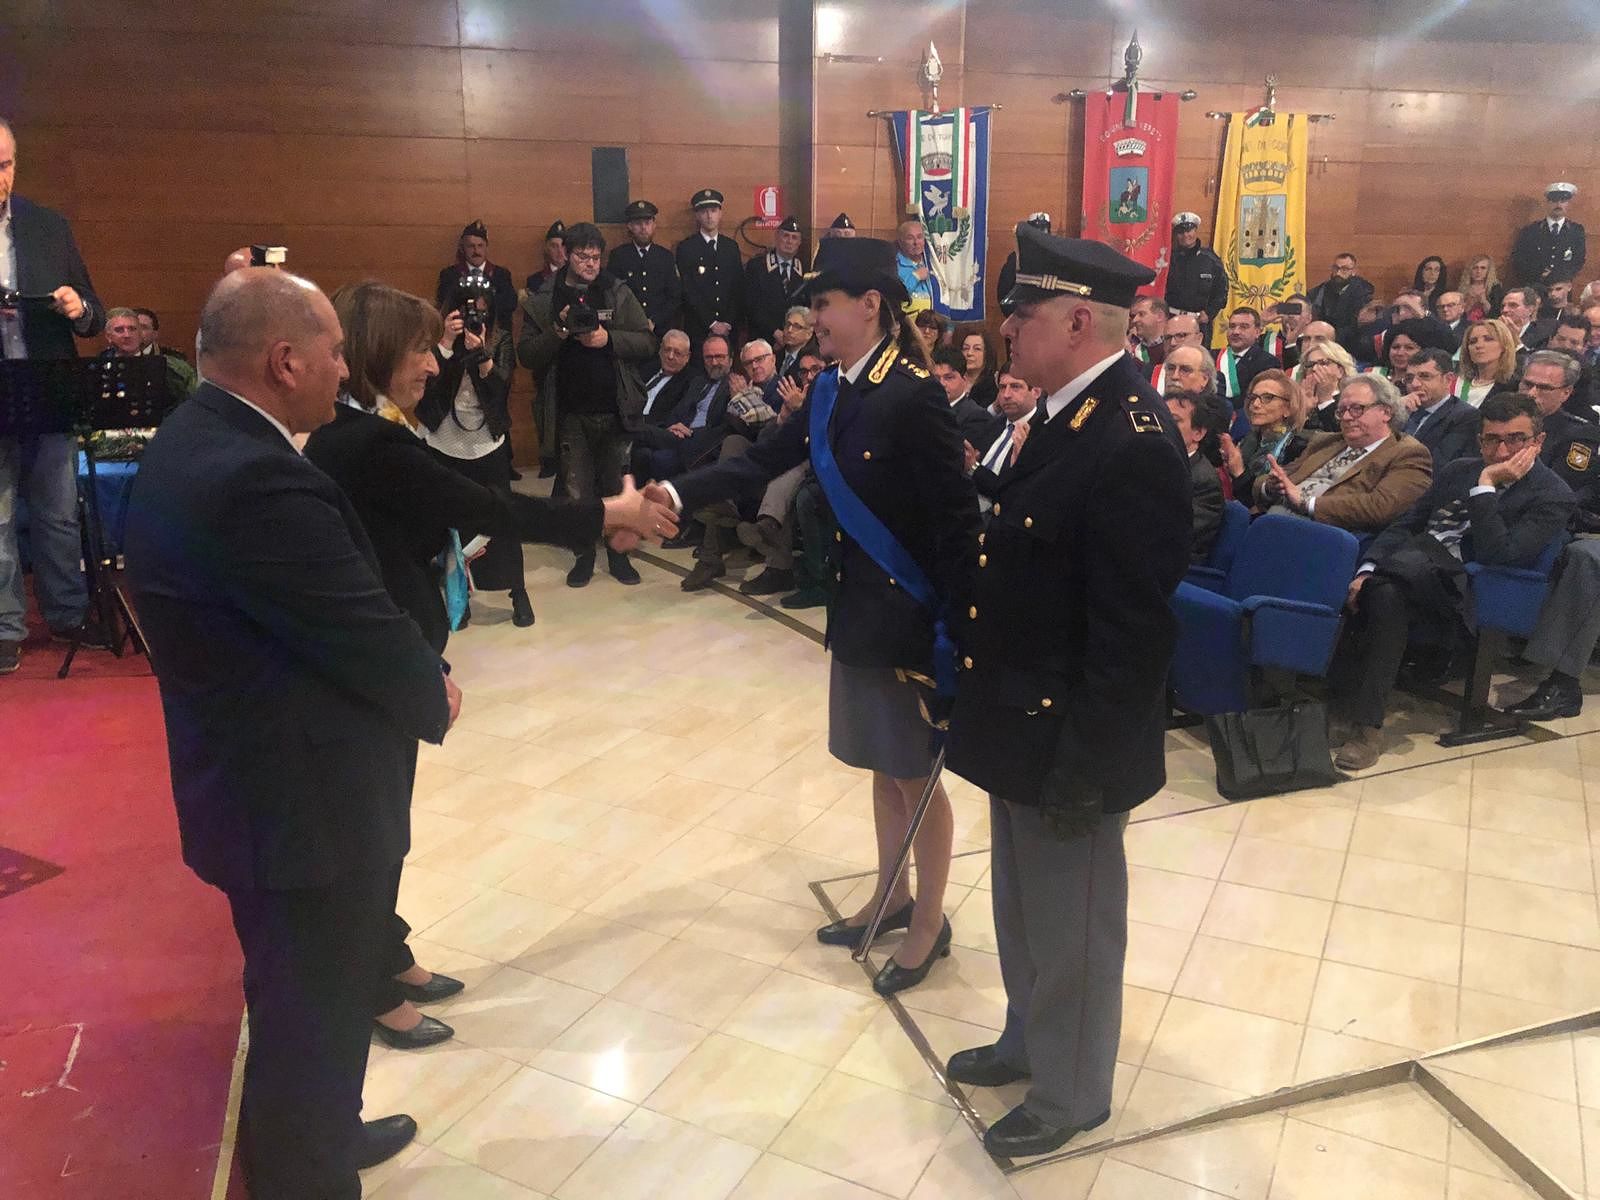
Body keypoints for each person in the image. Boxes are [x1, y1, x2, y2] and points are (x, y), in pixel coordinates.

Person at [123, 268, 458, 1198]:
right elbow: (354, 623)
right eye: (335, 353)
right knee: (312, 1005)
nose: (346, 369)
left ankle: (323, 1135)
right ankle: (307, 1176)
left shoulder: (196, 435)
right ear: (285, 361)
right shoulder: (257, 477)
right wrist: (430, 690)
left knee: (305, 996)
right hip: (300, 803)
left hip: (259, 776)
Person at [305, 282, 670, 1054]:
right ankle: (370, 986)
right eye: (419, 350)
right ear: (378, 353)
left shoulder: (369, 429)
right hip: (378, 660)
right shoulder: (365, 441)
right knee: (373, 832)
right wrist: (609, 514)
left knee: (387, 823)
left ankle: (387, 951)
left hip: (392, 648)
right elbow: (494, 507)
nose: (432, 365)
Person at [645, 236, 980, 999]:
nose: (814, 317)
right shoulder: (832, 389)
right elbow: (762, 460)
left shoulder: (914, 395)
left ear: (871, 305)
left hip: (909, 619)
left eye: (824, 304)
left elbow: (957, 523)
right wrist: (677, 494)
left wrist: (959, 633)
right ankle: (892, 895)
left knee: (914, 774)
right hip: (858, 610)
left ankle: (930, 920)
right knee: (882, 766)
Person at [944, 224, 1191, 1158]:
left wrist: (1090, 765)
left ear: (1079, 321)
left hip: (1072, 736)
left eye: (1025, 314)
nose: (1007, 329)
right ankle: (1027, 1040)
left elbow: (1134, 633)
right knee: (1021, 908)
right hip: (1018, 715)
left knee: (1075, 921)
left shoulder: (1131, 439)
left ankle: (1073, 1090)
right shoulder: (1060, 416)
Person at [1329, 393, 1575, 769]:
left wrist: (1487, 485)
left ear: (1538, 442)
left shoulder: (1552, 495)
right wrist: (1368, 568)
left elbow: (1499, 555)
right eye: (1492, 440)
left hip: (1466, 590)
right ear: (1480, 440)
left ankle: (1348, 714)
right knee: (1386, 592)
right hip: (1412, 572)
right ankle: (1365, 723)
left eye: (1515, 439)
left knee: (1386, 586)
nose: (1502, 450)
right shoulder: (1459, 469)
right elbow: (1409, 523)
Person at [0, 116, 107, 676]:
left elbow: (96, 315)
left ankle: (69, 615)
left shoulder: (48, 226)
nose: (0, 178)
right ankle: (4, 628)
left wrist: (78, 307)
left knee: (59, 514)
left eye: (6, 164)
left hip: (47, 388)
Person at [518, 222, 656, 588]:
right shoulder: (545, 297)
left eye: (596, 257)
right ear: (566, 254)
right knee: (577, 491)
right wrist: (558, 331)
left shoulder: (615, 291)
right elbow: (527, 355)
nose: (591, 264)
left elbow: (647, 342)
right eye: (583, 256)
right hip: (569, 411)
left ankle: (618, 555)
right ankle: (584, 555)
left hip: (614, 407)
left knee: (615, 486)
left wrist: (608, 339)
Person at [418, 281, 533, 627]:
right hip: (444, 442)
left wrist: (482, 354)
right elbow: (426, 387)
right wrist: (445, 344)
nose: (474, 318)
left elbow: (501, 386)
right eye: (467, 311)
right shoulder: (436, 339)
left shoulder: (499, 338)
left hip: (486, 444)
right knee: (451, 521)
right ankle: (459, 594)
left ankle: (518, 592)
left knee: (501, 518)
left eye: (481, 312)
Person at [1256, 372, 1433, 534]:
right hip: (1276, 518)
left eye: (1357, 409)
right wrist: (1271, 486)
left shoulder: (1409, 454)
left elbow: (1381, 507)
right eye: (1341, 411)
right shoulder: (1326, 441)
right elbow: (1278, 477)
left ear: (1386, 412)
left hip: (1324, 533)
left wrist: (1307, 502)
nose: (1347, 417)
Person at [1219, 368, 1309, 504]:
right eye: (1253, 397)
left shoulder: (1297, 447)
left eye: (1268, 398)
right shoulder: (1247, 440)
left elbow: (1268, 501)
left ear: (1288, 408)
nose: (1255, 404)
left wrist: (1238, 471)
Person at [967, 359, 1041, 514]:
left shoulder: (1041, 432)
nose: (1006, 395)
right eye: (1002, 388)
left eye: (1015, 387)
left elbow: (1008, 488)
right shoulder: (992, 425)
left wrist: (974, 468)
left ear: (1036, 391)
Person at [675, 188, 743, 347]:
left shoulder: (731, 247)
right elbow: (687, 289)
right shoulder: (686, 248)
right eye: (704, 212)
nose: (709, 216)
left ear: (720, 213)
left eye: (713, 211)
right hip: (699, 328)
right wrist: (711, 323)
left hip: (729, 329)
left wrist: (727, 322)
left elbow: (738, 288)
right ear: (697, 216)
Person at [607, 199, 681, 334]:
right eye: (638, 223)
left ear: (654, 225)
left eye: (647, 223)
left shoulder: (665, 257)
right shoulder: (618, 256)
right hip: (628, 329)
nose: (643, 228)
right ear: (629, 226)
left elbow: (674, 297)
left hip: (659, 328)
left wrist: (655, 320)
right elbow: (613, 295)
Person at [1171, 388, 1229, 561]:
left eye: (1174, 420)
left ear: (1198, 433)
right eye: (1161, 417)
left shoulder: (1205, 481)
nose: (1162, 425)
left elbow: (1175, 532)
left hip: (1177, 566)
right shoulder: (1150, 461)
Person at [1402, 347, 1482, 472]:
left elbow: (1439, 464)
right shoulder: (1402, 409)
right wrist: (1396, 411)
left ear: (1448, 379)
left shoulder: (1465, 416)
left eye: (1425, 376)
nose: (1415, 384)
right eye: (1409, 378)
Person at [435, 219, 517, 330]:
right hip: (460, 333)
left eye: (480, 245)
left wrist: (486, 302)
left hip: (495, 334)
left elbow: (510, 304)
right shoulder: (450, 275)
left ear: (486, 247)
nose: (476, 251)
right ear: (463, 248)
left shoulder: (501, 275)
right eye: (471, 246)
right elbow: (445, 303)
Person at [102, 306, 197, 399]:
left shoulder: (170, 369)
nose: (127, 335)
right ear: (108, 336)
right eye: (119, 330)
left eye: (132, 329)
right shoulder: (100, 366)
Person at [744, 215, 808, 346]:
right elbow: (751, 305)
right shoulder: (757, 266)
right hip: (762, 340)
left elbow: (805, 308)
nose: (789, 241)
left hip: (793, 342)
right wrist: (775, 332)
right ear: (777, 237)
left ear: (799, 243)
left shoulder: (804, 270)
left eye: (794, 237)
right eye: (785, 236)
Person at [1163, 211, 1228, 338]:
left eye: (1189, 230)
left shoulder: (1210, 259)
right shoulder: (1168, 259)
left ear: (1195, 230)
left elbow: (1222, 292)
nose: (1186, 235)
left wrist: (1209, 313)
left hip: (1199, 323)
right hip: (1172, 319)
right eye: (1181, 232)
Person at [1512, 182, 1586, 285]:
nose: (1558, 205)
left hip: (1562, 287)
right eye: (1554, 201)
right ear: (1547, 203)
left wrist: (1555, 276)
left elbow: (1578, 261)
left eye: (1563, 201)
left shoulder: (1576, 232)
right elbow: (1520, 259)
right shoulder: (1531, 231)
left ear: (1568, 204)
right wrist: (1540, 275)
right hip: (1535, 286)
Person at [931, 346, 1003, 448]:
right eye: (937, 378)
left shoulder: (976, 417)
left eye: (949, 378)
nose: (942, 384)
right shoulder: (926, 408)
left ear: (964, 380)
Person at [1309, 251, 1374, 350]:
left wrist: (1331, 339)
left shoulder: (1363, 294)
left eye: (1344, 269)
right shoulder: (1324, 289)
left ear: (1353, 271)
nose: (1338, 273)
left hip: (1351, 346)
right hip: (1325, 342)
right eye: (1336, 268)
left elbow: (1355, 325)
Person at [1215, 306, 1276, 405]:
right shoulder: (1212, 356)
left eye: (1243, 327)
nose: (1236, 332)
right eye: (1232, 326)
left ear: (1257, 332)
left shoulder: (1268, 363)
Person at [1298, 339, 1357, 432]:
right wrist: (1303, 411)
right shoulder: (1296, 400)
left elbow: (1341, 435)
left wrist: (1325, 399)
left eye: (1323, 363)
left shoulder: (1353, 401)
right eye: (1310, 364)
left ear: (1340, 371)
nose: (1314, 368)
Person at [1458, 318, 1519, 407]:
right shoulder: (1458, 383)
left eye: (1488, 339)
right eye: (1473, 342)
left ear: (1504, 346)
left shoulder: (1512, 387)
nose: (1479, 345)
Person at [1500, 285, 1555, 354]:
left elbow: (1532, 359)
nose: (1504, 310)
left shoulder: (1542, 335)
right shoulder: (1492, 331)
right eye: (1503, 306)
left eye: (1513, 305)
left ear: (1530, 310)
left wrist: (1516, 341)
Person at [896, 218, 935, 311]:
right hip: (906, 319)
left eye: (919, 237)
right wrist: (915, 277)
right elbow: (895, 295)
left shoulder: (932, 264)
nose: (916, 242)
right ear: (900, 242)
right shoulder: (894, 265)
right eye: (910, 238)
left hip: (933, 318)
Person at [958, 323, 999, 408]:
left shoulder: (994, 385)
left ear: (987, 354)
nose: (969, 353)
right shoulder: (953, 380)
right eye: (965, 348)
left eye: (977, 349)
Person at [1457, 254, 1505, 324]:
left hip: (1488, 325)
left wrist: (1484, 302)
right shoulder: (1463, 288)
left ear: (1488, 271)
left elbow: (1497, 314)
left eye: (1483, 268)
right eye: (1475, 268)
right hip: (1465, 325)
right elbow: (1457, 314)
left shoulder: (1495, 288)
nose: (1478, 271)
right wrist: (1469, 304)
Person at [524, 220, 567, 294]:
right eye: (554, 246)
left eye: (563, 246)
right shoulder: (535, 280)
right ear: (547, 249)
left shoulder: (578, 277)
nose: (560, 251)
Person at [774, 304, 816, 376]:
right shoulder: (775, 356)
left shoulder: (815, 360)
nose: (789, 330)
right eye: (788, 324)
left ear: (808, 334)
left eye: (796, 326)